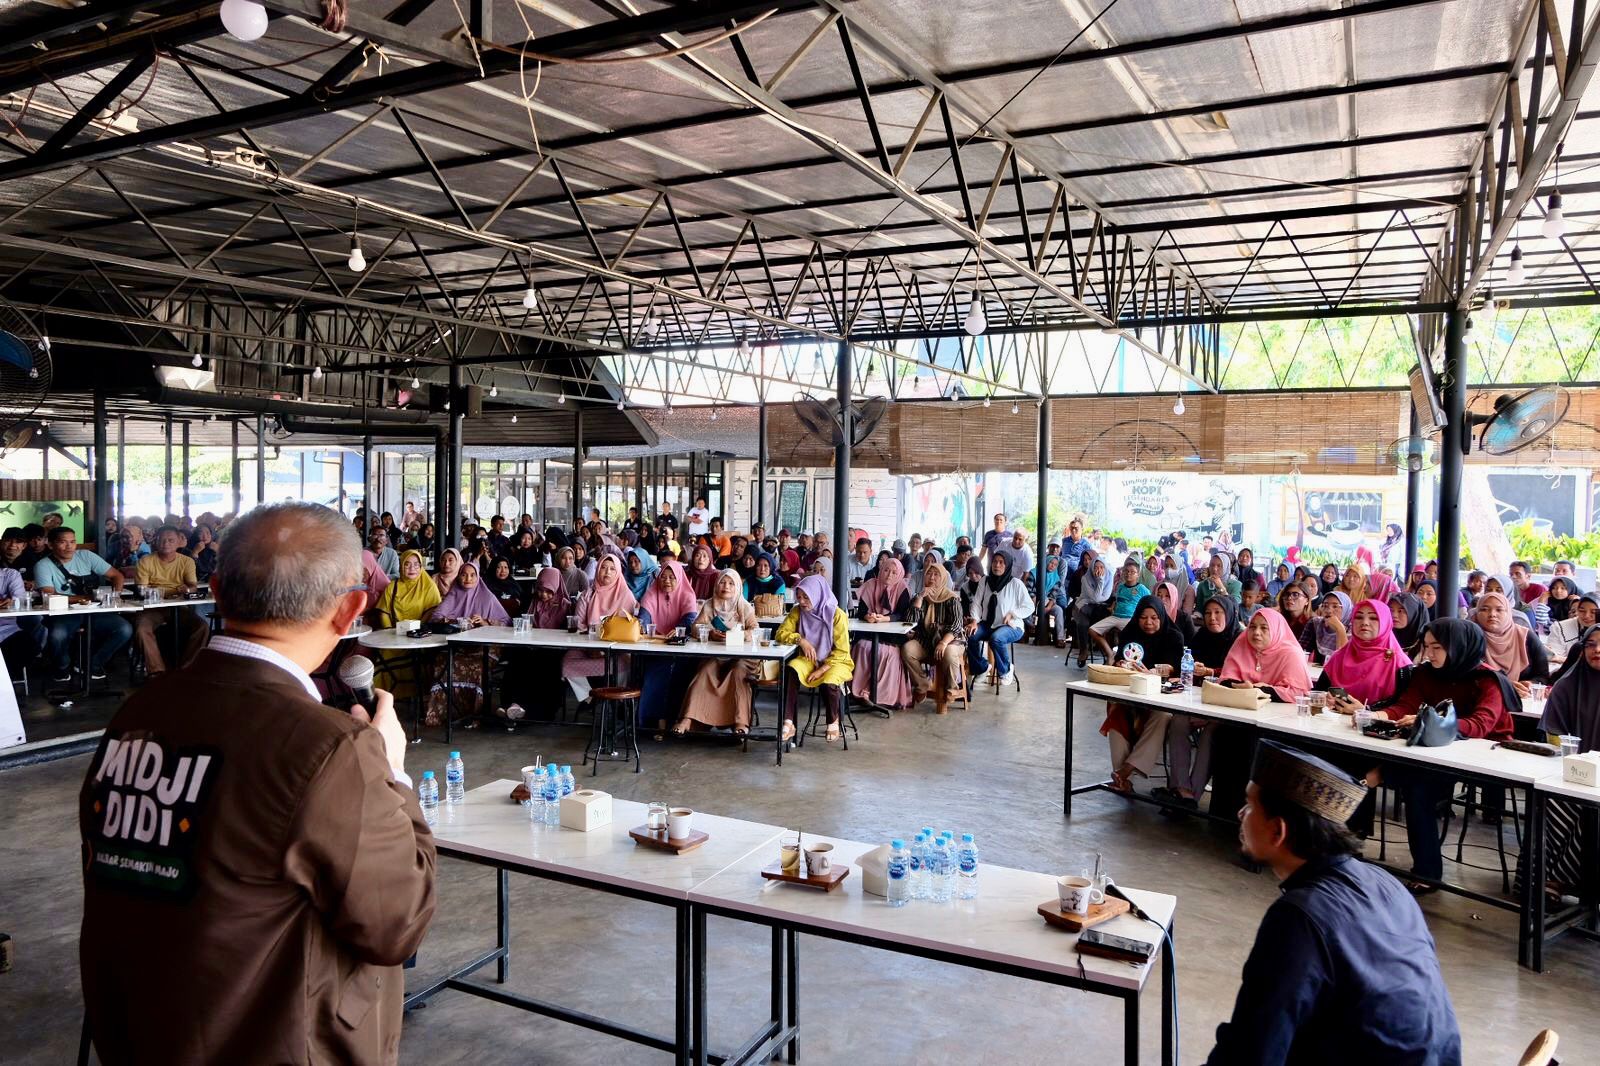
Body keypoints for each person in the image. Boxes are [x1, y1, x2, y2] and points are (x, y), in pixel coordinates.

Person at [78, 501, 435, 1064]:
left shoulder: (139, 712)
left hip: (143, 1031)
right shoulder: (331, 746)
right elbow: (396, 923)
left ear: (217, 592)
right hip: (272, 1042)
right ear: (351, 610)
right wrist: (392, 773)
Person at [1204, 741, 1461, 1065]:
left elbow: (1253, 1052)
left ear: (1278, 831)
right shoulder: (1385, 883)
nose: (1241, 814)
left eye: (1250, 805)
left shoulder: (1299, 917)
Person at [1336, 619, 1515, 890]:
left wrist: (1428, 721)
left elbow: (1480, 725)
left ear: (1458, 647)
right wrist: (1375, 715)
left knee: (1418, 788)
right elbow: (1406, 704)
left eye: (1437, 647)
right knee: (1369, 767)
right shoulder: (1426, 673)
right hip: (1434, 750)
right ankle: (1350, 849)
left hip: (1484, 757)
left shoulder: (1488, 680)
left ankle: (1426, 872)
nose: (1429, 653)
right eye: (1427, 646)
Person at [1160, 595, 1243, 810]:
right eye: (1207, 613)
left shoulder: (1239, 641)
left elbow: (1239, 676)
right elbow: (1186, 672)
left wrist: (1210, 672)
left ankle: (1192, 796)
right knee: (1178, 722)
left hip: (1227, 707)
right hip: (1198, 702)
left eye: (1218, 613)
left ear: (1229, 614)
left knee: (1210, 733)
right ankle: (1181, 788)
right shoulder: (1200, 638)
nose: (1212, 618)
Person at [1101, 596, 1183, 794]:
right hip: (1131, 694)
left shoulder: (1173, 636)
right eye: (1143, 617)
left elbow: (1175, 669)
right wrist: (1121, 664)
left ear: (1162, 617)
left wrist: (1153, 673)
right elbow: (1120, 658)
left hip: (1161, 698)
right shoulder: (1130, 632)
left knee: (1163, 716)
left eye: (1154, 618)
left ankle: (1125, 771)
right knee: (1116, 713)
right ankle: (1122, 778)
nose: (1148, 623)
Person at [34, 527, 132, 685]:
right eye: (63, 542)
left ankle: (92, 665)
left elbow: (116, 575)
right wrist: (84, 598)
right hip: (63, 613)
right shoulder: (43, 565)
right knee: (57, 635)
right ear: (50, 545)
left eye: (72, 542)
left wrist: (115, 596)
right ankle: (62, 667)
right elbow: (49, 595)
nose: (69, 546)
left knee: (124, 629)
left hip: (94, 611)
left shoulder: (86, 556)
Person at [676, 570, 760, 735]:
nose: (726, 587)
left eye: (731, 583)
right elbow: (695, 628)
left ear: (737, 587)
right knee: (706, 670)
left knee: (738, 673)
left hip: (742, 657)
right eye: (722, 582)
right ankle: (688, 719)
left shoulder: (744, 607)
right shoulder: (709, 605)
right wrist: (710, 632)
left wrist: (738, 636)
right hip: (716, 655)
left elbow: (756, 631)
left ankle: (740, 723)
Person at [426, 561, 509, 727]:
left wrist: (485, 621)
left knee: (476, 667)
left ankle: (473, 715)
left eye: (472, 575)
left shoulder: (487, 597)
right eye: (464, 574)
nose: (468, 578)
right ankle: (445, 713)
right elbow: (436, 617)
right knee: (444, 663)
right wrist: (455, 621)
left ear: (478, 577)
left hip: (484, 647)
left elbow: (506, 622)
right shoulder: (453, 594)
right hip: (457, 646)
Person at [773, 574, 854, 743]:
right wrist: (801, 640)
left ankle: (833, 720)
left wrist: (822, 669)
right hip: (810, 659)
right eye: (799, 597)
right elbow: (781, 633)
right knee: (792, 669)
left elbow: (842, 651)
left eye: (806, 597)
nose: (802, 601)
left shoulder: (836, 615)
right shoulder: (797, 611)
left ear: (817, 594)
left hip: (836, 661)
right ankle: (789, 722)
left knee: (829, 680)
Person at [131, 525, 209, 677]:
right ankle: (157, 672)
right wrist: (166, 592)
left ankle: (185, 670)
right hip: (152, 608)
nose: (166, 543)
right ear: (155, 541)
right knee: (142, 628)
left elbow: (193, 586)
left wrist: (187, 590)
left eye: (171, 540)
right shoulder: (146, 561)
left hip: (178, 607)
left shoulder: (187, 561)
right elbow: (142, 589)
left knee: (202, 627)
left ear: (179, 542)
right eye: (162, 540)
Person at [901, 561, 965, 715]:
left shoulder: (952, 598)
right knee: (907, 649)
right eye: (929, 573)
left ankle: (952, 689)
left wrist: (943, 642)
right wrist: (920, 598)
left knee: (948, 652)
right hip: (927, 641)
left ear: (942, 578)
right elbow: (909, 621)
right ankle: (923, 683)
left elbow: (957, 625)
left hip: (950, 640)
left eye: (936, 574)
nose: (932, 578)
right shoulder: (921, 597)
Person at [850, 556, 914, 710]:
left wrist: (885, 619)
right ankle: (861, 692)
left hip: (892, 635)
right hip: (870, 632)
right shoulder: (870, 584)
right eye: (886, 570)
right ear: (880, 570)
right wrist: (868, 616)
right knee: (862, 647)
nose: (889, 575)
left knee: (887, 653)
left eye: (893, 572)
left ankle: (879, 695)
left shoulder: (902, 588)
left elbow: (903, 614)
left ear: (899, 574)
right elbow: (861, 612)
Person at [966, 549, 1034, 689]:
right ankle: (982, 668)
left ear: (1008, 565)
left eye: (1001, 562)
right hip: (987, 624)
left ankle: (1006, 669)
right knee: (969, 635)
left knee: (997, 638)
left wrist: (1013, 613)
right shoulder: (985, 581)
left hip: (1010, 626)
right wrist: (974, 620)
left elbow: (1029, 607)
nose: (997, 565)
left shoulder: (1016, 584)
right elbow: (977, 603)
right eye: (995, 562)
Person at [1219, 608, 1313, 703]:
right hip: (1241, 707)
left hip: (1278, 713)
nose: (1256, 632)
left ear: (1276, 630)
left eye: (1264, 628)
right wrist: (1243, 686)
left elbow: (1297, 693)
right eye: (1252, 627)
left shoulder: (1291, 654)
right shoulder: (1242, 644)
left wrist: (1258, 690)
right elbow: (1225, 680)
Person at [1473, 590, 1549, 695]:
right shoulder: (1471, 639)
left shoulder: (1526, 637)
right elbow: (1466, 677)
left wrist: (1530, 684)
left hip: (1523, 702)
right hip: (1483, 699)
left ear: (1508, 612)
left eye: (1499, 610)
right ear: (1477, 613)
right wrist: (1505, 687)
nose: (1492, 614)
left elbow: (1542, 676)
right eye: (1484, 609)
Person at [1088, 559, 1148, 664]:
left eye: (1132, 572)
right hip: (1115, 617)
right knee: (1093, 630)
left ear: (1138, 575)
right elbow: (1117, 601)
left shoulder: (1142, 589)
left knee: (1130, 639)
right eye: (1126, 571)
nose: (1129, 573)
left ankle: (1125, 660)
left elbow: (1149, 603)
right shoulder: (1120, 587)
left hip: (1130, 619)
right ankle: (1110, 654)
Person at [1071, 554, 1116, 667]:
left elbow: (1105, 596)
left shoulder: (1109, 576)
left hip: (1099, 608)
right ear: (1092, 568)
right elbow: (1094, 598)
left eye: (1101, 567)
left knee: (1104, 623)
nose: (1099, 570)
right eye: (1096, 567)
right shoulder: (1086, 578)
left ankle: (1107, 653)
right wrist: (1100, 581)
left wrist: (1101, 582)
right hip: (1083, 606)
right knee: (1083, 623)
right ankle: (1083, 650)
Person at [0, 562, 44, 675]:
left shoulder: (10, 575)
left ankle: (8, 683)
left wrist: (12, 602)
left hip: (7, 631)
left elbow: (20, 599)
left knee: (29, 646)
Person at [1308, 589, 1351, 663]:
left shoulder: (1353, 630)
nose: (1328, 611)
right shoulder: (1315, 623)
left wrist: (1339, 629)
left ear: (1346, 608)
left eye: (1335, 606)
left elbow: (1345, 661)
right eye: (1325, 605)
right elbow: (1302, 651)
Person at [1035, 555, 1067, 647]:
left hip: (1048, 603)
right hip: (1034, 601)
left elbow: (1053, 595)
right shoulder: (1035, 573)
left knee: (1059, 610)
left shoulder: (1056, 578)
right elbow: (1030, 592)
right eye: (1051, 563)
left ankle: (1060, 638)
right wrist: (1037, 605)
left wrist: (1048, 607)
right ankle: (1030, 628)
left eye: (1055, 565)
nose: (1052, 566)